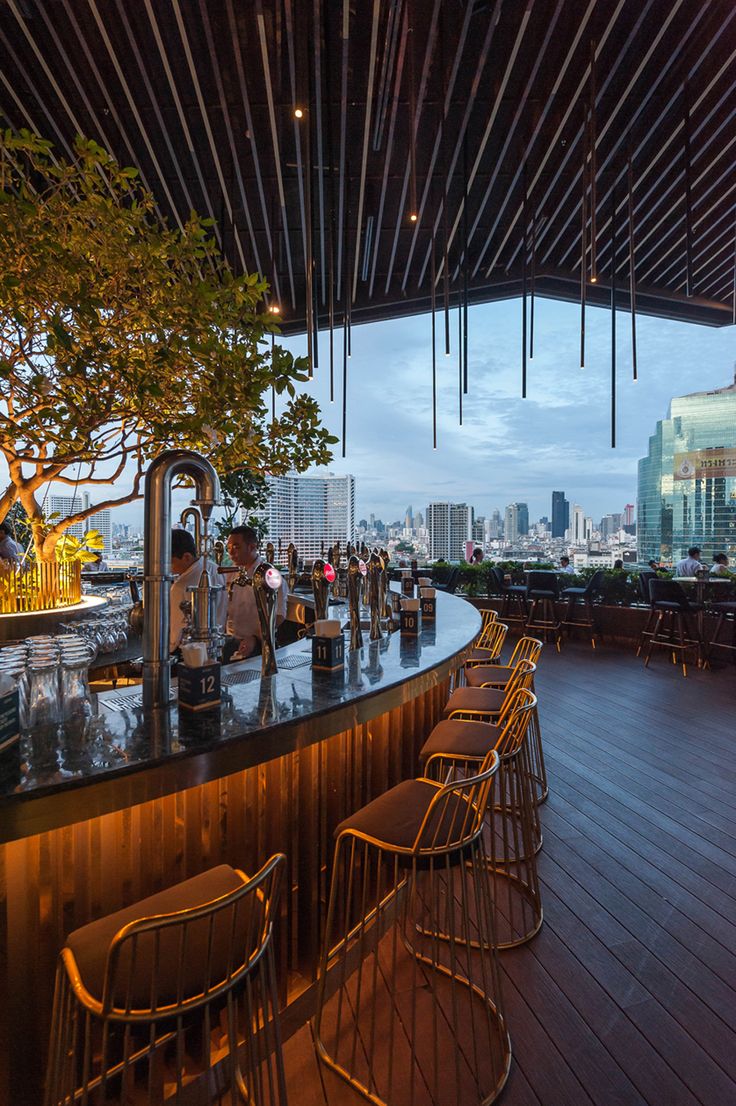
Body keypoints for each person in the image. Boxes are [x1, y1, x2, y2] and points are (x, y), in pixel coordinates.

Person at [226, 525, 287, 659]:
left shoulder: (270, 575)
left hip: (260, 643)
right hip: (231, 641)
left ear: (252, 547)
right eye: (229, 548)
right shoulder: (230, 573)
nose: (231, 552)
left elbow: (279, 615)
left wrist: (255, 638)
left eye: (236, 547)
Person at [169, 528, 227, 653]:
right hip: (217, 644)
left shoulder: (181, 586)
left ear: (187, 557)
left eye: (171, 562)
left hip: (190, 651)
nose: (168, 567)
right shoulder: (215, 568)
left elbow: (176, 631)